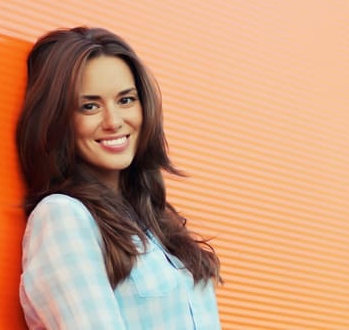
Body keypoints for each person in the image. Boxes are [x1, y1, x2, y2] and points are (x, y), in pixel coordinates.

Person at [16, 27, 222, 329]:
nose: (113, 121)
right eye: (90, 106)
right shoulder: (63, 217)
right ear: (57, 119)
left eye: (125, 100)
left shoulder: (156, 221)